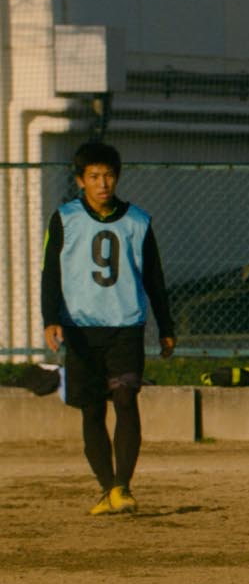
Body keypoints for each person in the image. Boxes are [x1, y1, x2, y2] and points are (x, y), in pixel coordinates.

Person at [41, 141, 176, 516]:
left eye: (109, 175)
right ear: (80, 180)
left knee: (126, 399)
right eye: (95, 176)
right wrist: (50, 318)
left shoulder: (138, 221)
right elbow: (50, 273)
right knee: (91, 410)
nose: (103, 183)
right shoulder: (64, 218)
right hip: (81, 328)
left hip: (125, 326)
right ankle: (105, 487)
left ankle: (124, 487)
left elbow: (154, 277)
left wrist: (166, 325)